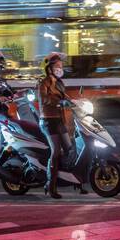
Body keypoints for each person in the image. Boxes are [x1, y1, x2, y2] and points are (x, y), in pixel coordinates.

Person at [36, 52, 71, 199]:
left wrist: (76, 102)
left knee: (69, 148)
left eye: (61, 66)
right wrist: (58, 102)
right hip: (48, 121)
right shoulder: (43, 83)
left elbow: (66, 97)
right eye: (57, 66)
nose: (60, 68)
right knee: (56, 151)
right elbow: (44, 100)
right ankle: (51, 185)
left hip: (59, 119)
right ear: (49, 68)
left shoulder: (59, 83)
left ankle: (67, 179)